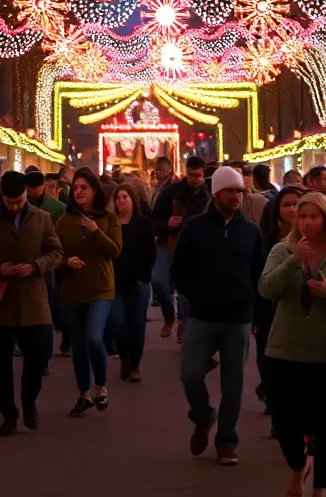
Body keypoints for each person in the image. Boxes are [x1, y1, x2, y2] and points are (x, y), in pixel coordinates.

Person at [260, 192, 326, 497]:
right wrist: (294, 262)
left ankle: (320, 489)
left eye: (314, 216)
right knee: (284, 421)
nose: (307, 222)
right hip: (284, 350)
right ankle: (299, 464)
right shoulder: (282, 249)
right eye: (302, 216)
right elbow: (266, 289)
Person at [171, 164, 265, 465]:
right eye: (230, 191)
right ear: (216, 193)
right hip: (201, 316)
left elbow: (259, 274)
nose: (237, 196)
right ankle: (203, 415)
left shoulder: (250, 231)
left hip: (239, 318)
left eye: (240, 191)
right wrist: (194, 296)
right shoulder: (195, 227)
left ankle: (226, 440)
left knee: (233, 384)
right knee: (190, 374)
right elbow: (179, 269)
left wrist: (254, 308)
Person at [0, 171, 63, 436]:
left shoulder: (41, 218)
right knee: (0, 362)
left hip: (33, 298)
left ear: (26, 196)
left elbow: (56, 252)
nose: (15, 207)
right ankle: (8, 413)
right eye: (10, 202)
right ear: (2, 197)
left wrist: (36, 266)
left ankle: (29, 401)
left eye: (19, 201)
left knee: (38, 354)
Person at [55, 168, 123, 416]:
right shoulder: (64, 221)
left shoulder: (108, 218)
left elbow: (115, 250)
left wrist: (96, 231)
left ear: (94, 191)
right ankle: (84, 394)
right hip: (73, 290)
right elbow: (53, 254)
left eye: (84, 187)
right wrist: (66, 261)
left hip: (100, 288)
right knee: (79, 344)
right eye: (76, 187)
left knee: (94, 338)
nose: (79, 191)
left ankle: (101, 387)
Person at [254, 184, 304, 414]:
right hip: (268, 312)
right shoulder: (265, 242)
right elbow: (257, 278)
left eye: (297, 204)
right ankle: (274, 402)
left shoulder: (317, 242)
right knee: (268, 361)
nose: (292, 209)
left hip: (301, 312)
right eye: (286, 205)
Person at [153, 155, 209, 343]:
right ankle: (170, 316)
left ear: (203, 174)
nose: (195, 179)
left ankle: (184, 323)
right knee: (158, 280)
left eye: (198, 175)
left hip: (193, 247)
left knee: (185, 289)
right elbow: (154, 219)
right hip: (168, 243)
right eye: (191, 175)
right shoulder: (172, 192)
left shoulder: (207, 194)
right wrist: (167, 223)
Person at [108, 182, 156, 382]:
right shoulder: (111, 224)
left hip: (138, 282)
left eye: (125, 197)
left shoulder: (143, 223)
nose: (121, 201)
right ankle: (124, 356)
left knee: (137, 324)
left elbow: (150, 252)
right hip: (116, 281)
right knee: (117, 322)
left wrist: (143, 275)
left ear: (132, 200)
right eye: (118, 198)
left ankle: (135, 365)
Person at [26, 169, 69, 357]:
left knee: (54, 302)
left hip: (51, 262)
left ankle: (60, 336)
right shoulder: (22, 206)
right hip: (30, 261)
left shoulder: (57, 207)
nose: (32, 191)